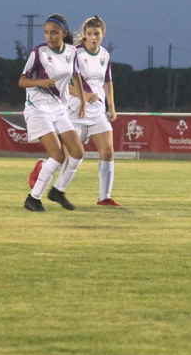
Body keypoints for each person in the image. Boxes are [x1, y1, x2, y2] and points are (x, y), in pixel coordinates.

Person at [35, 16, 121, 206]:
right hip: (74, 112)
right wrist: (84, 96)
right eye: (89, 34)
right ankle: (42, 168)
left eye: (97, 34)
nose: (93, 37)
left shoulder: (104, 55)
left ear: (103, 34)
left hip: (97, 113)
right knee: (65, 156)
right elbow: (62, 82)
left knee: (107, 151)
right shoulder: (74, 53)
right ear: (85, 35)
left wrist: (111, 106)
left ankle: (104, 197)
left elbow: (107, 81)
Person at [19, 14, 86, 212]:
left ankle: (57, 191)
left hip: (58, 109)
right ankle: (33, 198)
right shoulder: (39, 52)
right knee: (57, 155)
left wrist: (82, 101)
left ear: (64, 33)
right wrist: (40, 82)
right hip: (37, 109)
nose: (49, 36)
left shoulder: (72, 52)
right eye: (46, 32)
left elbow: (76, 76)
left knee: (77, 152)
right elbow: (22, 81)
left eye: (54, 32)